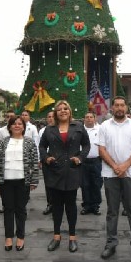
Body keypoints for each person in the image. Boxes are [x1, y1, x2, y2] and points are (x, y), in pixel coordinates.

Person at [98, 97, 131, 261]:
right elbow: (102, 150)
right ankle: (111, 243)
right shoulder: (105, 126)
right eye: (116, 105)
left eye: (122, 105)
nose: (119, 108)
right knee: (112, 211)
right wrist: (115, 166)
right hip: (111, 174)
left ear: (126, 107)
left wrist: (125, 165)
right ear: (112, 108)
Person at [39, 100, 90, 253]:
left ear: (69, 111)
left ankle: (72, 237)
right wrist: (46, 158)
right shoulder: (49, 129)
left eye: (65, 108)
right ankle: (56, 236)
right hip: (54, 171)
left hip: (72, 171)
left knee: (71, 206)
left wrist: (80, 158)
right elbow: (42, 146)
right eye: (59, 109)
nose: (63, 111)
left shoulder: (78, 127)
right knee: (56, 206)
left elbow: (86, 145)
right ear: (56, 112)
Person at [0, 115, 39, 251]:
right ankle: (8, 237)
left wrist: (34, 180)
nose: (17, 126)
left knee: (20, 209)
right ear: (10, 126)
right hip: (6, 181)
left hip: (23, 181)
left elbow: (34, 163)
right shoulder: (3, 142)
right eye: (14, 124)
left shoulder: (29, 142)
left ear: (24, 127)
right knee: (8, 209)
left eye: (20, 124)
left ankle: (20, 237)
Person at [80, 111, 103, 215]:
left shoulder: (100, 129)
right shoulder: (80, 130)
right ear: (84, 119)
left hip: (96, 161)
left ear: (95, 119)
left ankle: (95, 206)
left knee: (96, 184)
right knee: (85, 184)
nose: (89, 119)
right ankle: (87, 205)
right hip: (83, 162)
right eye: (87, 117)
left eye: (91, 117)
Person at [38, 110, 55, 216]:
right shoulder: (42, 131)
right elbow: (40, 146)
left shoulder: (61, 129)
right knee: (48, 184)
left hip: (58, 160)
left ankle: (59, 205)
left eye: (52, 116)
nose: (50, 118)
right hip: (46, 160)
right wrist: (41, 159)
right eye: (48, 116)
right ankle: (50, 204)